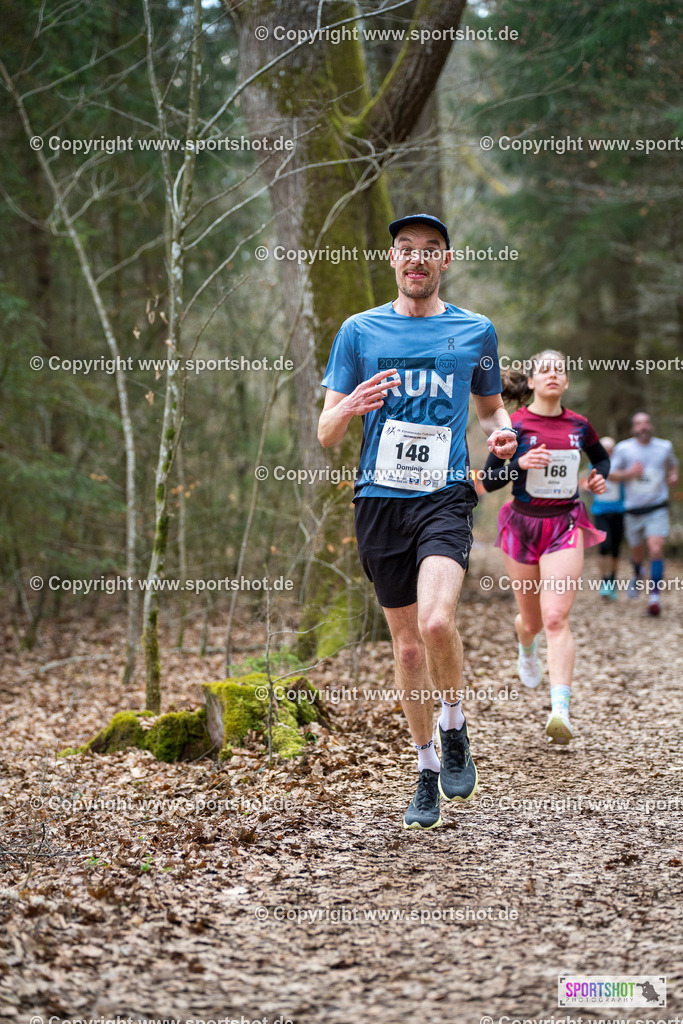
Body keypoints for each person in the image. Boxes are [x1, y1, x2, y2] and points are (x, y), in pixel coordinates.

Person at [318, 213, 518, 829]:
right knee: (406, 653)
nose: (418, 259)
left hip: (444, 496)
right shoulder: (358, 332)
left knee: (436, 623)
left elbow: (491, 412)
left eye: (430, 250)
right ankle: (427, 768)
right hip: (379, 502)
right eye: (407, 250)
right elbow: (326, 433)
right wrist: (349, 405)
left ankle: (455, 725)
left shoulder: (474, 331)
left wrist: (504, 436)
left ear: (445, 262)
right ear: (393, 262)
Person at [482, 351, 610, 744]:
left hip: (565, 524)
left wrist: (598, 478)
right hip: (522, 524)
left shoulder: (579, 425)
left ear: (566, 382)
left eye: (560, 370)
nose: (553, 375)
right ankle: (525, 644)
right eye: (545, 370)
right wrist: (520, 464)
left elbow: (602, 459)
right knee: (533, 622)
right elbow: (488, 479)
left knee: (555, 618)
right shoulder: (515, 424)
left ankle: (560, 709)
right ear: (532, 382)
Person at [609, 411, 678, 616]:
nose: (643, 427)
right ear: (633, 429)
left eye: (647, 422)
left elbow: (673, 464)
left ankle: (654, 596)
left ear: (652, 426)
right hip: (632, 510)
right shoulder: (624, 448)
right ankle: (638, 571)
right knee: (637, 552)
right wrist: (630, 473)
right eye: (638, 424)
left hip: (657, 507)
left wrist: (673, 475)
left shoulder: (664, 447)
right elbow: (610, 474)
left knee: (656, 549)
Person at [582, 436, 625, 600]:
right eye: (604, 448)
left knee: (615, 549)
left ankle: (612, 580)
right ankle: (605, 581)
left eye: (610, 449)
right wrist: (586, 487)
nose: (607, 451)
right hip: (600, 511)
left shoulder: (620, 466)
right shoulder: (593, 465)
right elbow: (588, 484)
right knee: (604, 546)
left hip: (619, 511)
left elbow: (621, 477)